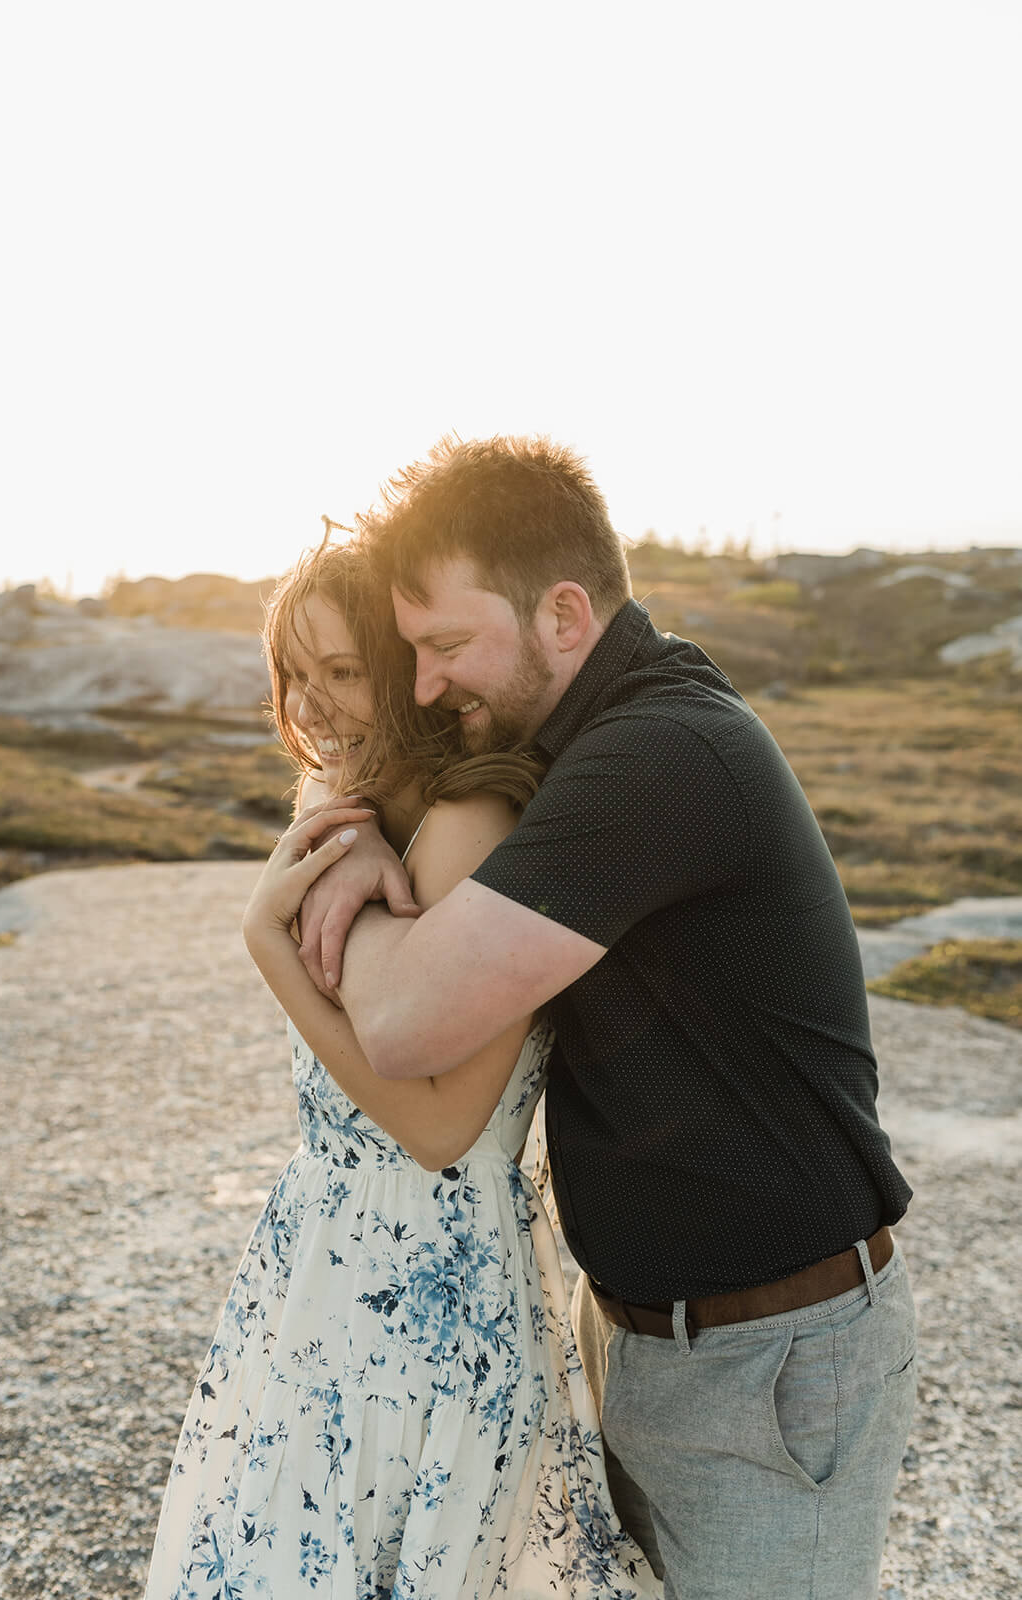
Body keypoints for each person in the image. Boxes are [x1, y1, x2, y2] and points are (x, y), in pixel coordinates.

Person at [294, 436, 919, 1600]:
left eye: (445, 646)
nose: (426, 685)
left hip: (768, 1365)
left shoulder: (660, 755)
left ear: (565, 614)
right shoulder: (588, 738)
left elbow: (407, 1025)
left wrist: (337, 863)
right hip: (651, 1335)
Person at [143, 539, 658, 1599]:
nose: (314, 703)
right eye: (294, 671)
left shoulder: (471, 826)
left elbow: (443, 1131)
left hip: (431, 1286)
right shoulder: (353, 806)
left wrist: (265, 940)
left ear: (405, 673)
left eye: (343, 670)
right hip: (323, 1260)